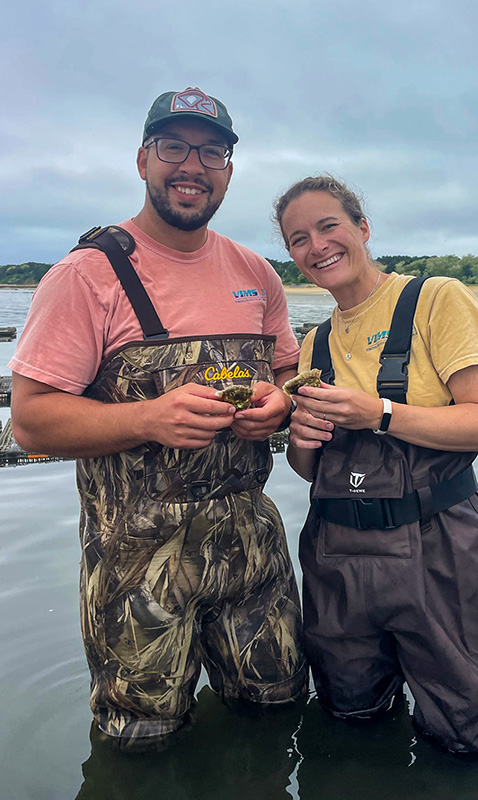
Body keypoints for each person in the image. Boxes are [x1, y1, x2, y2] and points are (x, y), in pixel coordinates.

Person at [9, 87, 307, 749]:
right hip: (134, 560)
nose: (192, 166)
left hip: (251, 541)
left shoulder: (256, 272)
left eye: (212, 151)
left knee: (277, 710)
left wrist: (280, 403)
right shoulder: (87, 275)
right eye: (174, 147)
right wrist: (150, 418)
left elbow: (287, 371)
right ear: (143, 159)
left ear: (229, 168)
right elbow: (29, 421)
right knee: (140, 741)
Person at [273, 175, 478, 755]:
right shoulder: (315, 344)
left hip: (441, 551)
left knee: (466, 735)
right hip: (338, 558)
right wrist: (302, 437)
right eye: (298, 238)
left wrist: (380, 412)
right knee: (349, 717)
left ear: (362, 227)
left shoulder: (438, 299)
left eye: (328, 226)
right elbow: (310, 470)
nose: (317, 246)